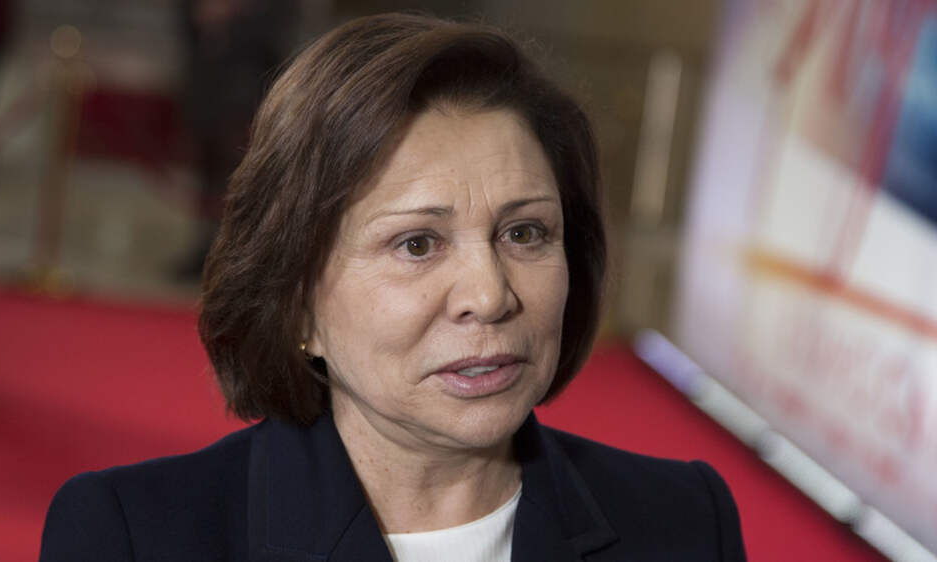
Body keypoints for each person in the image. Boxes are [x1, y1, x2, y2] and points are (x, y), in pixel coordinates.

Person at [39, 13, 746, 561]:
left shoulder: (684, 520)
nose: (489, 296)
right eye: (417, 244)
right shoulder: (136, 536)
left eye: (525, 232)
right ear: (296, 301)